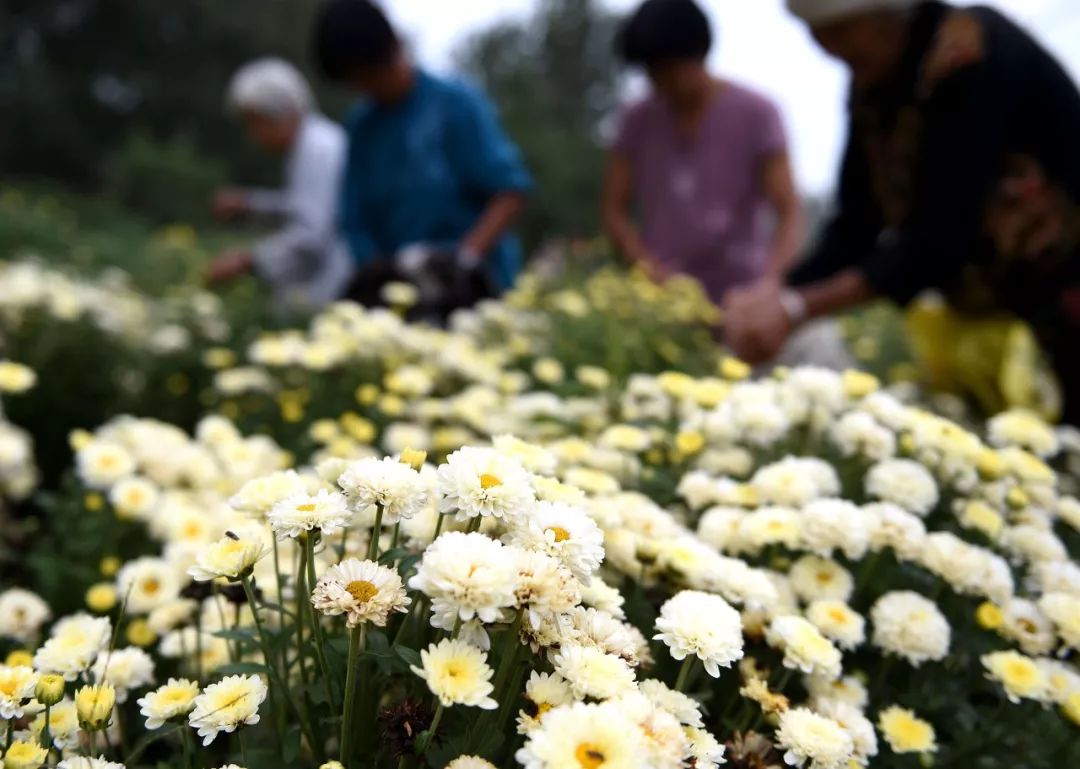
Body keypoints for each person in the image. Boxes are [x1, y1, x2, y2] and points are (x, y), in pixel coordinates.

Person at [725, 0, 1080, 420]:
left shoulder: (971, 55)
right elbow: (856, 226)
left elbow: (941, 238)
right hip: (1000, 314)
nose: (829, 48)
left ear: (886, 14)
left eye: (840, 32)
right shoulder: (873, 83)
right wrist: (777, 294)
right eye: (816, 35)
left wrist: (797, 308)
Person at [313, 0, 532, 319]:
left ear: (395, 49)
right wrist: (379, 271)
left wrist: (464, 260)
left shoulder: (456, 105)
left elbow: (510, 192)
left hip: (474, 296)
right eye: (355, 81)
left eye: (371, 75)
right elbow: (353, 218)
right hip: (399, 299)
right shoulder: (362, 127)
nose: (367, 88)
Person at [602, 0, 804, 307]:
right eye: (652, 73)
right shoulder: (637, 121)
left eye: (670, 70)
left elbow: (789, 212)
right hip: (665, 302)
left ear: (698, 54)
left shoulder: (757, 114)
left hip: (742, 298)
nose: (662, 84)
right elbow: (614, 210)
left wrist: (769, 283)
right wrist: (649, 270)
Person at [208, 58, 355, 311]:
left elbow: (311, 233)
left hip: (333, 287)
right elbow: (304, 204)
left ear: (278, 113)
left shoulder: (317, 150)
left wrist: (248, 261)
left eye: (254, 123)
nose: (253, 136)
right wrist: (249, 203)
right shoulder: (312, 143)